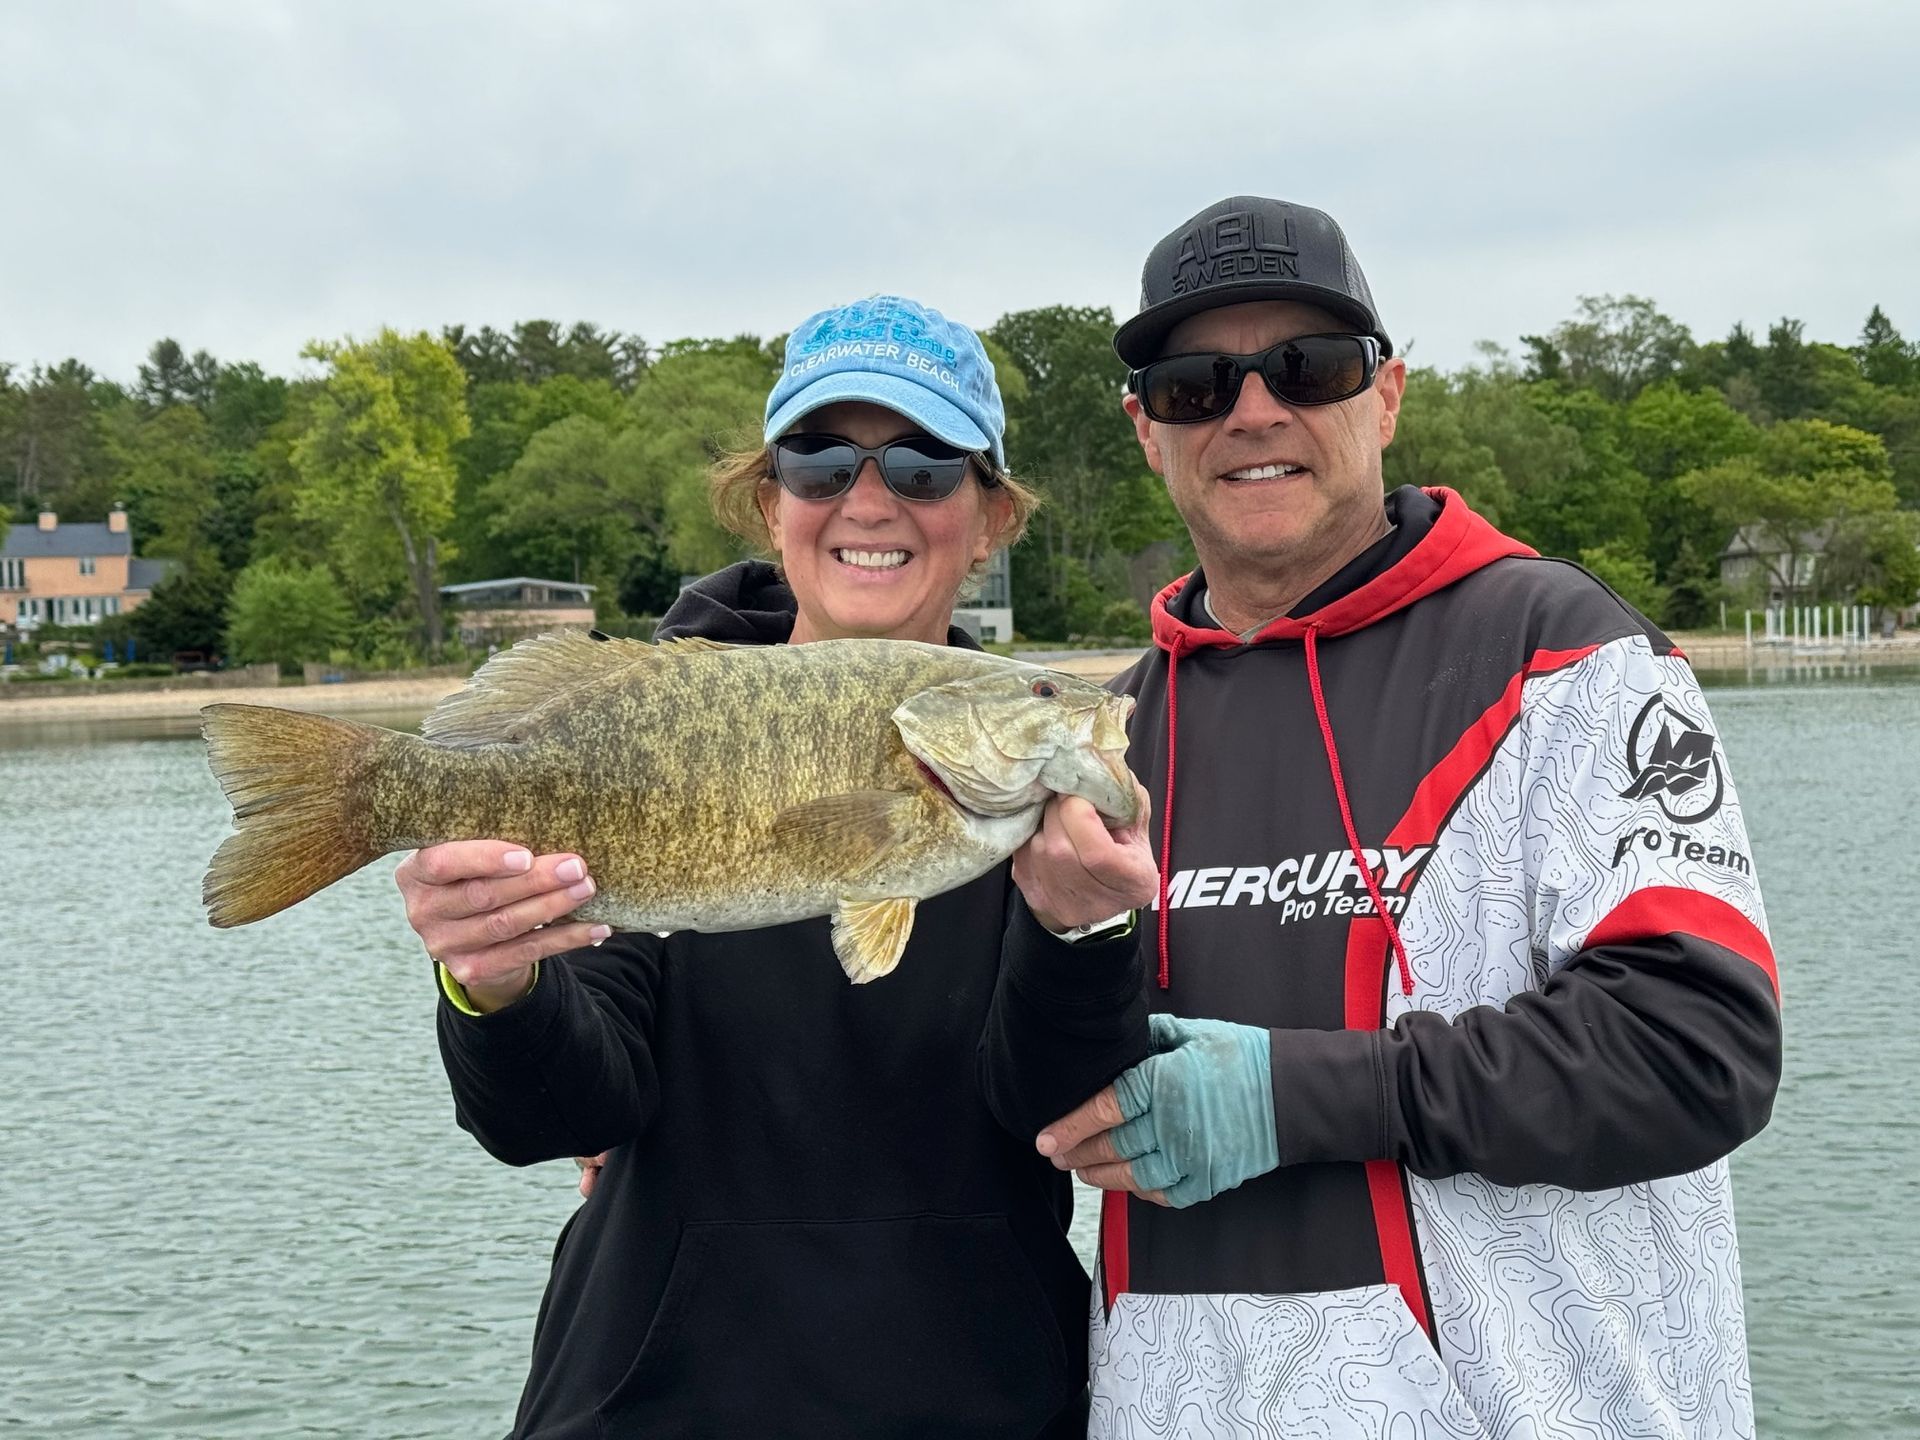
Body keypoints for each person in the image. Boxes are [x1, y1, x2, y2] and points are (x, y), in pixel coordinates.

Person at [1035, 198, 1783, 1437]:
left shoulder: (1571, 659)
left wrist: (1297, 1098)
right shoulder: (1106, 735)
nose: (1254, 412)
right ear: (1145, 431)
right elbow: (1037, 1097)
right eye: (1194, 386)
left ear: (1384, 397)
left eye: (1307, 369)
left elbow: (1698, 1051)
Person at [399, 296, 1157, 1439]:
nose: (868, 498)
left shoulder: (1051, 797)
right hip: (651, 1403)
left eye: (922, 464)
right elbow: (553, 1113)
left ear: (989, 516)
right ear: (771, 502)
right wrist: (492, 982)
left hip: (976, 1402)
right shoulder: (653, 725)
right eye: (818, 461)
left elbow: (1063, 1111)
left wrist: (1081, 932)